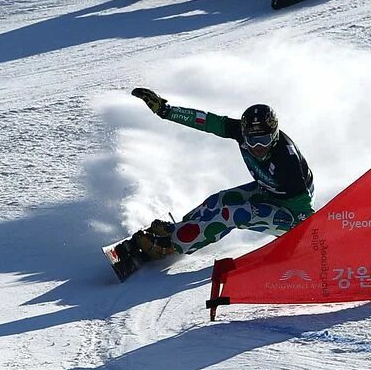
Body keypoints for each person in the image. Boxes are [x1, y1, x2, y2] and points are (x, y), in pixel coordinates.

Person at [125, 87, 314, 261]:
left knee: (232, 214)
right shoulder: (240, 131)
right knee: (220, 200)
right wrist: (166, 111)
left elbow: (306, 211)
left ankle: (170, 246)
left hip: (293, 216)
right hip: (270, 192)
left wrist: (310, 243)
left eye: (264, 140)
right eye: (251, 140)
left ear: (274, 135)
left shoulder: (287, 161)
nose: (257, 147)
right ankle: (179, 231)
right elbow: (206, 121)